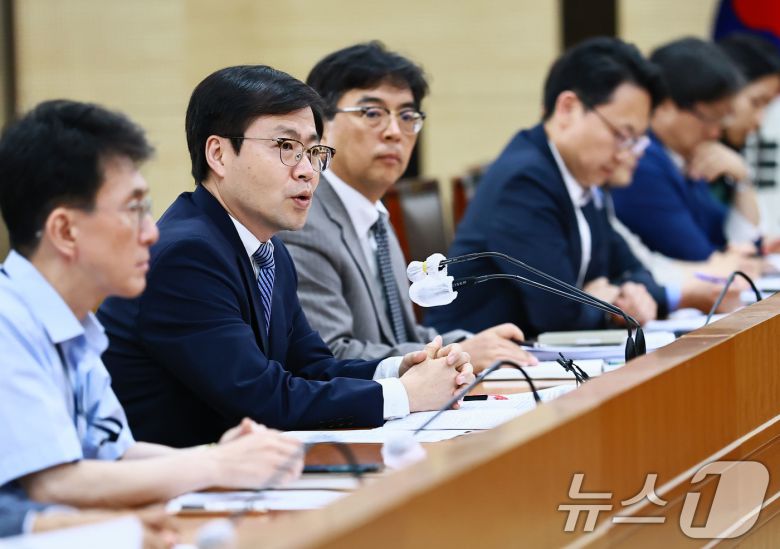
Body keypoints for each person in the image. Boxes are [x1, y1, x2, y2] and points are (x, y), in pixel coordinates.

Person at [97, 65, 474, 448]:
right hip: (175, 489)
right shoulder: (188, 255)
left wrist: (396, 370)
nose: (309, 171)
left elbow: (311, 366)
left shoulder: (267, 246)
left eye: (313, 151)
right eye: (286, 147)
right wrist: (405, 395)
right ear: (219, 154)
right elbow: (261, 399)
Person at [0, 100, 304, 511]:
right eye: (134, 210)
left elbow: (116, 454)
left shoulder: (77, 326)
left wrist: (223, 458)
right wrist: (213, 464)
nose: (150, 233)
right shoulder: (8, 324)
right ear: (65, 230)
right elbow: (54, 482)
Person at [278, 41, 536, 373]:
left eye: (407, 116)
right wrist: (460, 352)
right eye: (372, 113)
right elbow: (328, 354)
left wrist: (470, 344)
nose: (394, 132)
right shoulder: (304, 220)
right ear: (321, 125)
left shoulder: (375, 216)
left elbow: (403, 335)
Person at [426, 37, 669, 339]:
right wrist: (607, 303)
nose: (626, 153)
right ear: (568, 108)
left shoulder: (581, 179)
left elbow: (640, 274)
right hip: (476, 368)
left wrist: (631, 292)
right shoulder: (525, 181)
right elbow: (560, 316)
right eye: (622, 134)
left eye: (635, 141)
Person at [611, 37, 748, 261]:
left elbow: (732, 240)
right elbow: (700, 258)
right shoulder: (642, 163)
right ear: (665, 105)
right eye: (708, 118)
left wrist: (743, 181)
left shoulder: (683, 156)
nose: (715, 133)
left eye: (721, 121)